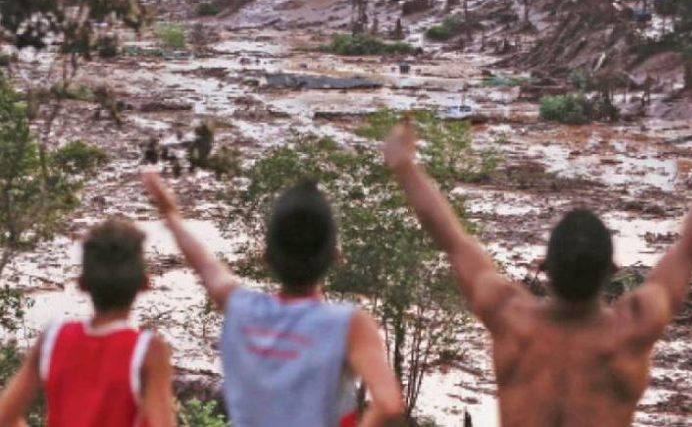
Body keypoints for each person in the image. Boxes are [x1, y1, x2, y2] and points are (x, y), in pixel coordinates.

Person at [384, 113, 692, 427]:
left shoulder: (511, 319)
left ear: (543, 267)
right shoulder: (631, 329)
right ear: (612, 270)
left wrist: (404, 167)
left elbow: (451, 238)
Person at [142, 173, 403, 427]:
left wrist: (170, 214)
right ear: (335, 255)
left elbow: (206, 266)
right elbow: (387, 402)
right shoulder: (349, 325)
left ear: (265, 255)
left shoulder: (242, 309)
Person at [0, 218, 176, 427]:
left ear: (82, 284)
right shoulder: (147, 351)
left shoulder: (52, 339)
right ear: (145, 284)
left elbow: (5, 417)